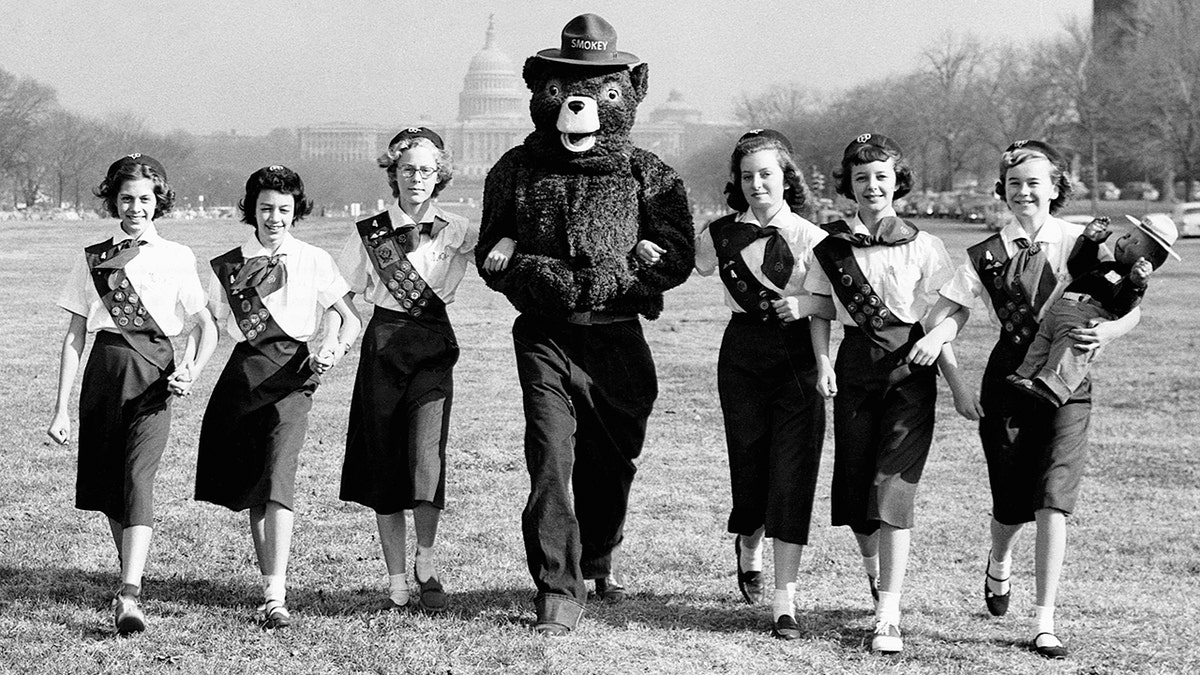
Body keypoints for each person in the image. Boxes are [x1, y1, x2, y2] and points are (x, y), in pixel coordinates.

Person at [929, 139, 1144, 659]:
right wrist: (953, 377)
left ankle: (1045, 621)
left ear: (1055, 188)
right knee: (1011, 503)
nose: (1024, 191)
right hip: (1007, 380)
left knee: (1053, 498)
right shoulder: (983, 254)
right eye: (1014, 182)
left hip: (1070, 384)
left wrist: (1111, 334)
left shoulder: (1084, 242)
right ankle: (999, 559)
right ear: (1001, 189)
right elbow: (943, 317)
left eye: (1035, 182)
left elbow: (1131, 305)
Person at [806, 133, 974, 654]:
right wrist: (822, 361)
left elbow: (955, 308)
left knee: (892, 487)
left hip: (909, 375)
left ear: (898, 182)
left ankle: (889, 613)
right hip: (856, 367)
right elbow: (819, 308)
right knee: (858, 493)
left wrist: (942, 347)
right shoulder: (829, 247)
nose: (872, 186)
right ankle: (875, 574)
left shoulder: (925, 245)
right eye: (861, 178)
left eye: (881, 176)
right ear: (847, 187)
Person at [46, 154, 218, 635]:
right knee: (112, 488)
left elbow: (206, 327)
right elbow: (75, 335)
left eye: (145, 198)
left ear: (158, 200)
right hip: (104, 373)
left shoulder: (177, 255)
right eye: (127, 198)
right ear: (113, 200)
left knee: (139, 479)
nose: (136, 207)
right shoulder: (95, 257)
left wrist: (191, 369)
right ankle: (130, 577)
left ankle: (129, 594)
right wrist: (61, 407)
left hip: (153, 379)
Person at [195, 165, 360, 628]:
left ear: (296, 211)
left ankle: (277, 593)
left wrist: (334, 347)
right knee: (255, 485)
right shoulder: (228, 265)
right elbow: (207, 324)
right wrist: (188, 367)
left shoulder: (314, 259)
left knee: (279, 476)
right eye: (266, 208)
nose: (274, 218)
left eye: (284, 209)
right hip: (243, 376)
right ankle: (270, 584)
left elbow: (348, 318)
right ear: (252, 210)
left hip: (292, 379)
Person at [685, 129, 832, 640]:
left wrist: (807, 304)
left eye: (766, 174)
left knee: (793, 472)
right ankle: (748, 542)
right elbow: (686, 264)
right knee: (750, 465)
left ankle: (784, 600)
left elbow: (837, 304)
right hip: (742, 354)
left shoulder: (815, 239)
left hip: (798, 358)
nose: (756, 184)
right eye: (747, 176)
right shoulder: (719, 235)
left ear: (786, 178)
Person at [337, 127, 477, 613]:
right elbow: (344, 296)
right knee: (385, 461)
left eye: (426, 170)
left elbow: (504, 256)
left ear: (439, 176)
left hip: (433, 343)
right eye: (407, 169)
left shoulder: (460, 229)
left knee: (425, 458)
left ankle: (426, 560)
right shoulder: (370, 231)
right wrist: (338, 341)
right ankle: (396, 576)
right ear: (392, 173)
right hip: (384, 345)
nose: (416, 178)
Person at [1006, 214, 1179, 405]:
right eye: (1127, 236)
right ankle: (1026, 374)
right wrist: (1089, 241)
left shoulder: (1129, 281)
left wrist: (1136, 283)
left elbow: (1122, 305)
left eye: (1134, 242)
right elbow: (1077, 265)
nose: (1124, 241)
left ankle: (1052, 388)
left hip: (1082, 316)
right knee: (1041, 343)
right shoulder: (1106, 266)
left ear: (1150, 258)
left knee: (1071, 349)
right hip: (1059, 310)